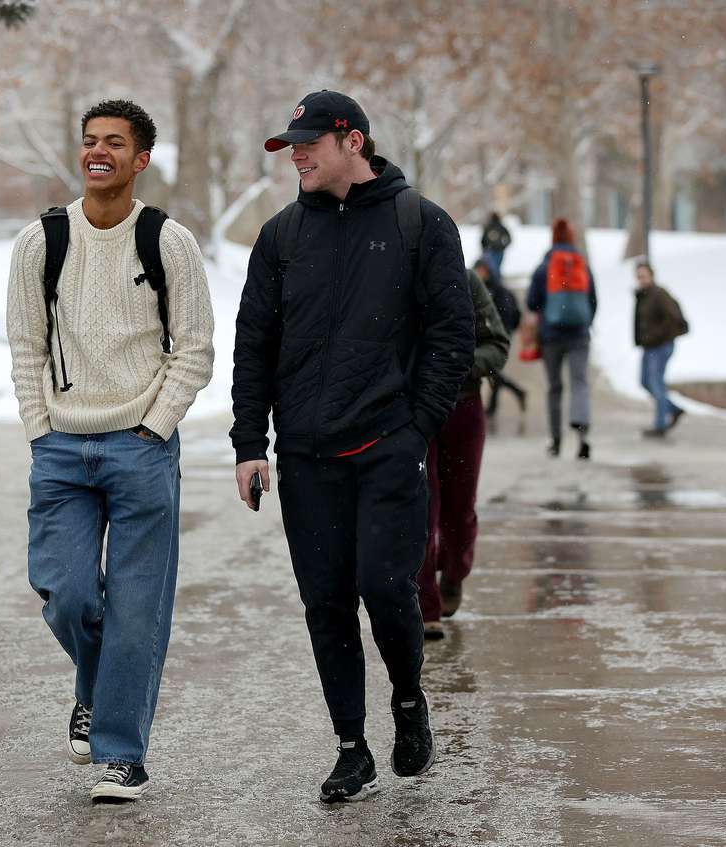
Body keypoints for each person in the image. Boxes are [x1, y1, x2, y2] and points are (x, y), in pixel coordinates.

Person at [231, 90, 474, 803]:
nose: (296, 155)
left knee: (383, 586)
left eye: (309, 142)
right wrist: (252, 442)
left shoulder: (421, 225)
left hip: (386, 447)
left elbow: (451, 336)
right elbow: (254, 345)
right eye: (290, 146)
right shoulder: (280, 237)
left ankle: (406, 697)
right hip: (307, 455)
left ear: (353, 143)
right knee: (325, 601)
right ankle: (351, 747)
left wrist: (414, 428)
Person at [6, 99, 214, 803]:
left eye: (115, 143)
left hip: (139, 447)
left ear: (140, 159)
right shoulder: (41, 242)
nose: (99, 152)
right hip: (61, 448)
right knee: (65, 593)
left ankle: (120, 752)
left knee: (135, 610)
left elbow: (196, 349)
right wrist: (40, 432)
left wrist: (154, 429)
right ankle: (95, 687)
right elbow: (26, 348)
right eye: (91, 141)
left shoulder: (169, 242)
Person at [419, 268, 510, 640]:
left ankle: (454, 572)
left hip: (463, 407)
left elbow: (497, 343)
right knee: (420, 506)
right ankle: (426, 607)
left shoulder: (467, 283)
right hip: (414, 410)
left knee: (459, 506)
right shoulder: (395, 279)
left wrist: (463, 363)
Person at [526, 218, 597, 459]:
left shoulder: (545, 266)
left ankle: (555, 441)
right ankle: (582, 435)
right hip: (579, 334)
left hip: (551, 336)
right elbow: (593, 299)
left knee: (554, 388)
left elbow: (531, 301)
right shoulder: (581, 263)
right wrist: (585, 322)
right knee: (580, 383)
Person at [634, 260, 688, 438]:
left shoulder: (659, 294)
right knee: (645, 381)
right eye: (639, 276)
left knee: (656, 382)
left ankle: (660, 425)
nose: (641, 279)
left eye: (644, 276)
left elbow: (672, 318)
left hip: (661, 345)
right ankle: (673, 409)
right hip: (649, 346)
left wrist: (657, 335)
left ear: (651, 276)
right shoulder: (643, 295)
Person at [474, 258, 526, 417]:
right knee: (493, 372)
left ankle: (516, 393)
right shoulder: (500, 289)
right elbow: (516, 315)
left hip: (496, 337)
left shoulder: (490, 291)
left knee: (492, 371)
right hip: (502, 335)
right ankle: (494, 406)